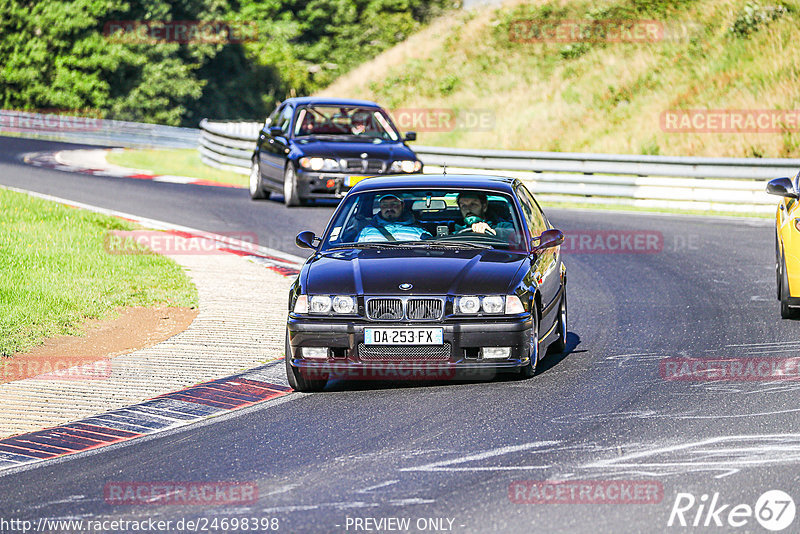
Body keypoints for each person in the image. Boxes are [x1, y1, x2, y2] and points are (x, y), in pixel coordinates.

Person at [357, 194, 432, 242]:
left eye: (394, 204)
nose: (389, 208)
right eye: (385, 205)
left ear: (402, 206)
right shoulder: (366, 232)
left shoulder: (419, 232)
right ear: (380, 207)